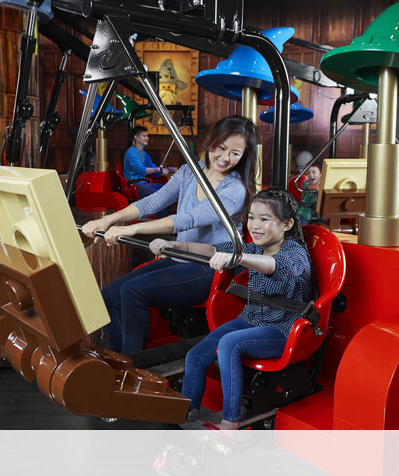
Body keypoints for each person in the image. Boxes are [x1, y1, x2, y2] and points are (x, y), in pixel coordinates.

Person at [81, 115, 258, 354]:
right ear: (211, 142)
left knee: (133, 292)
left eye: (235, 153)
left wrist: (132, 228)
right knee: (109, 296)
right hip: (180, 257)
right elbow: (153, 201)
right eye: (222, 147)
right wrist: (109, 219)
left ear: (244, 156)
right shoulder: (188, 172)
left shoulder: (234, 188)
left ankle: (133, 368)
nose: (225, 158)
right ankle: (116, 361)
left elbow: (188, 219)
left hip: (210, 267)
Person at [151, 188, 313, 431]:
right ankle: (185, 411)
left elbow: (272, 267)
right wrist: (173, 244)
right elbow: (213, 249)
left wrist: (236, 259)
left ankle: (230, 422)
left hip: (284, 328)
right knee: (197, 353)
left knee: (229, 344)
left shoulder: (295, 254)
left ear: (287, 224)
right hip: (252, 318)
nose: (255, 225)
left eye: (264, 219)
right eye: (251, 218)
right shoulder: (255, 248)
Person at [123, 125, 174, 197]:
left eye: (147, 136)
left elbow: (155, 171)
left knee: (170, 190)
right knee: (161, 196)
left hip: (144, 184)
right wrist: (158, 169)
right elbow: (140, 170)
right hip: (134, 185)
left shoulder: (144, 154)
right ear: (136, 137)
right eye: (144, 136)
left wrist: (166, 170)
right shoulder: (131, 152)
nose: (147, 138)